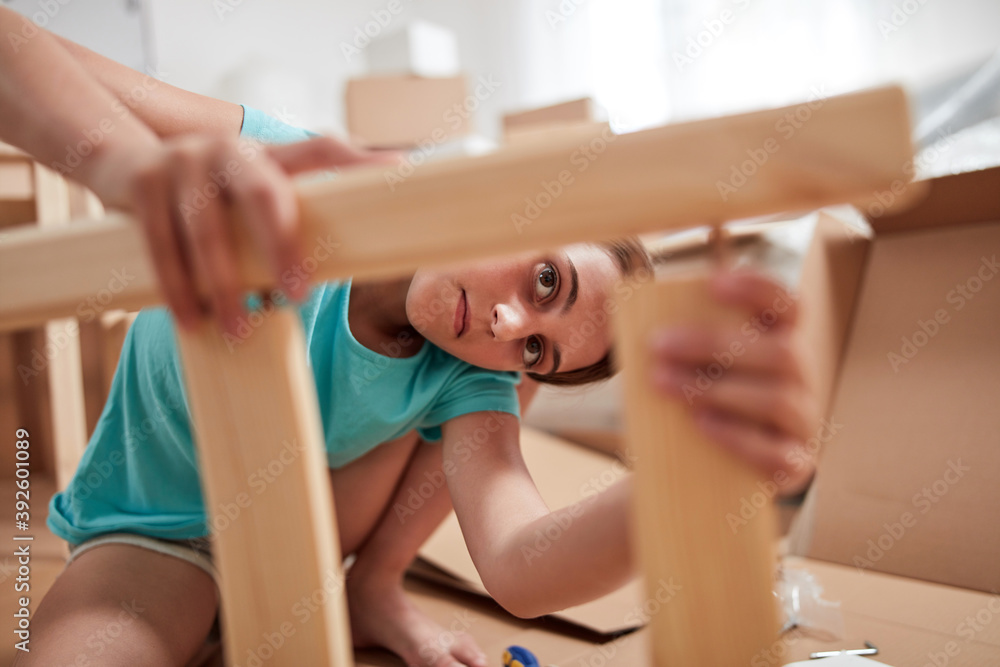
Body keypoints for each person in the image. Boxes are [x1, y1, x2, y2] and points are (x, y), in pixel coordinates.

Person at [1, 9, 819, 666]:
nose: (510, 326)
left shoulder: (472, 374)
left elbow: (522, 560)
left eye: (541, 345)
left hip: (310, 520)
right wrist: (129, 157)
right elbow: (54, 59)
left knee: (494, 388)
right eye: (545, 281)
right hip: (156, 529)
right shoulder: (299, 171)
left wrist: (684, 474)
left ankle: (372, 587)